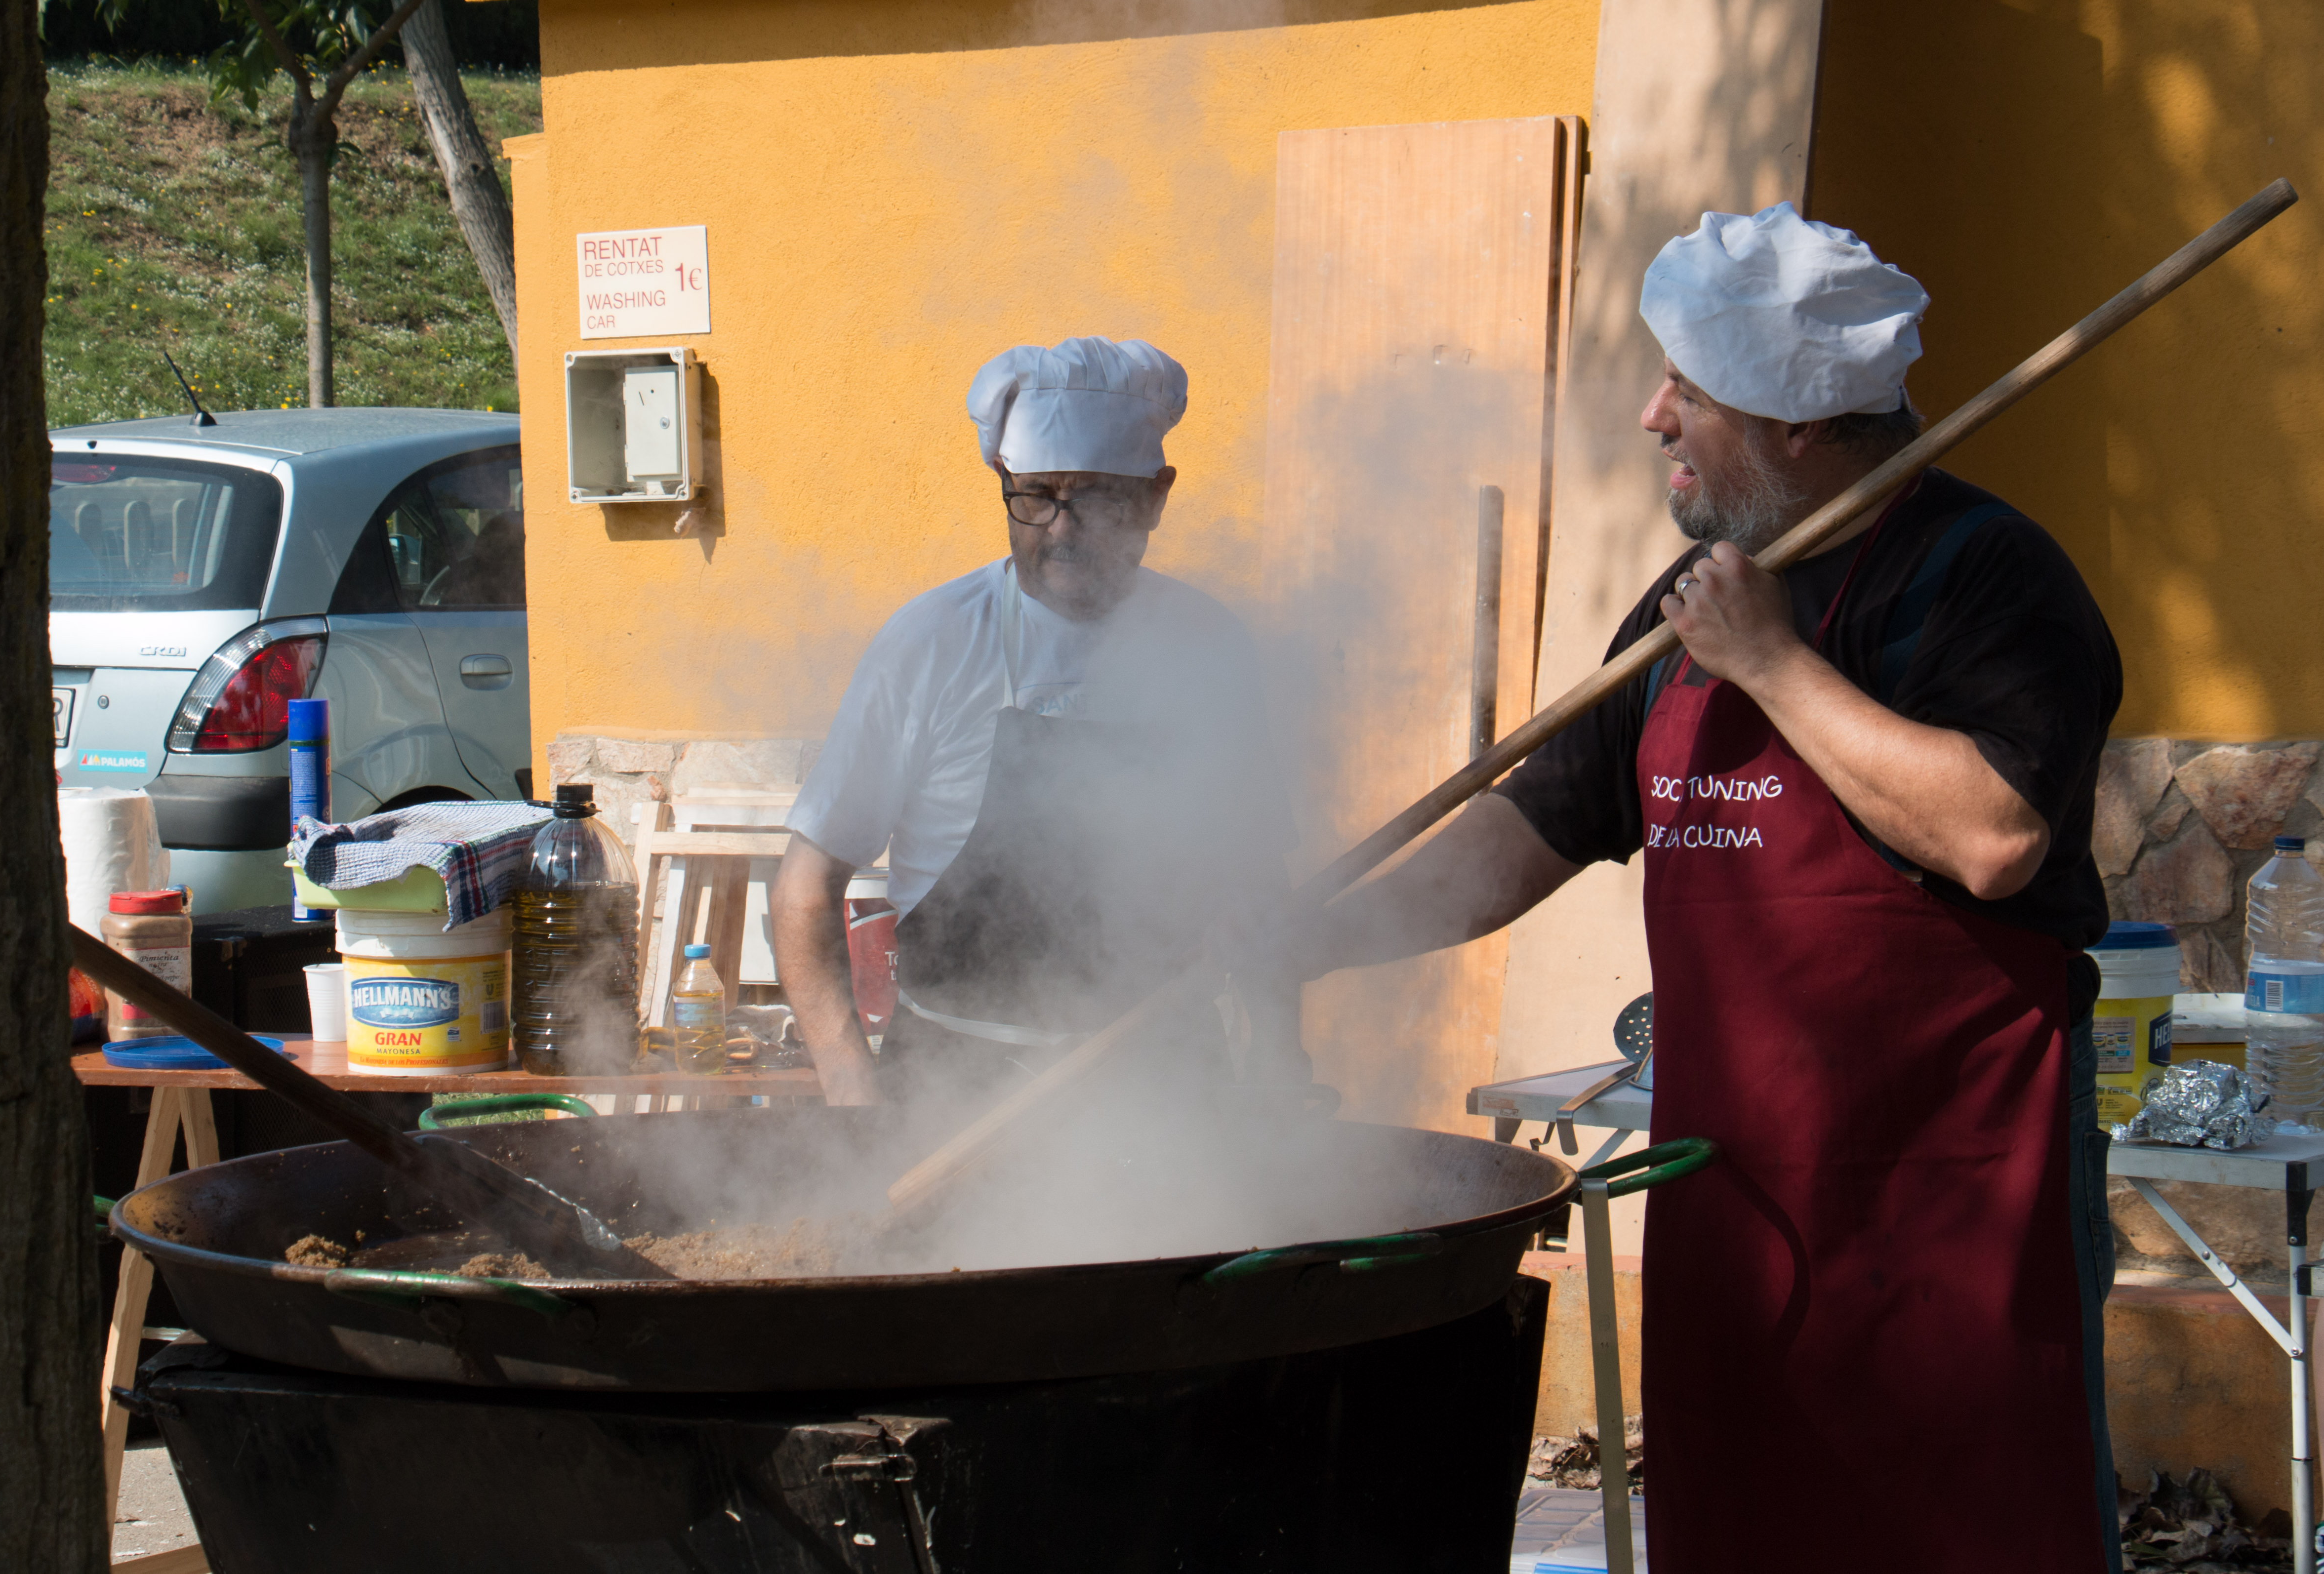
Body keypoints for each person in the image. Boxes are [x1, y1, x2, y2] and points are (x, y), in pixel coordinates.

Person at [1265, 206, 2123, 1574]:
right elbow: (1528, 829)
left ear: (1797, 421)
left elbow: (1992, 835)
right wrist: (1307, 937)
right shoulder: (1690, 603)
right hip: (1740, 1197)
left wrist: (1770, 664)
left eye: (1689, 391)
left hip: (1957, 1187)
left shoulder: (1983, 575)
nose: (1653, 415)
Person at [775, 335, 1296, 1113]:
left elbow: (1257, 890)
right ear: (1004, 482)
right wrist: (853, 1096)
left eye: (1099, 499)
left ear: (1156, 497)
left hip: (1168, 1094)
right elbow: (806, 890)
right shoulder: (933, 643)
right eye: (1037, 496)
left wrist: (1283, 1062)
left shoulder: (1211, 648)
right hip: (953, 1092)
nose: (1061, 529)